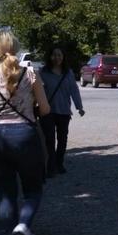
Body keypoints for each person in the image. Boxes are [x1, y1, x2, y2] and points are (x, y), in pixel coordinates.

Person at [0, 30, 51, 235]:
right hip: (25, 136)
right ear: (16, 48)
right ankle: (23, 227)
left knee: (6, 194)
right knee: (33, 189)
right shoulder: (30, 74)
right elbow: (46, 109)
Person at [39, 47, 85, 177]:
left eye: (59, 55)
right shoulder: (43, 72)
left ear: (63, 57)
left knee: (62, 139)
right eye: (54, 55)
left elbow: (74, 90)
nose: (57, 57)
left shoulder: (68, 73)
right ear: (50, 57)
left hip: (64, 111)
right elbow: (35, 90)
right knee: (49, 139)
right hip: (48, 111)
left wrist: (79, 107)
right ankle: (51, 166)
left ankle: (59, 163)